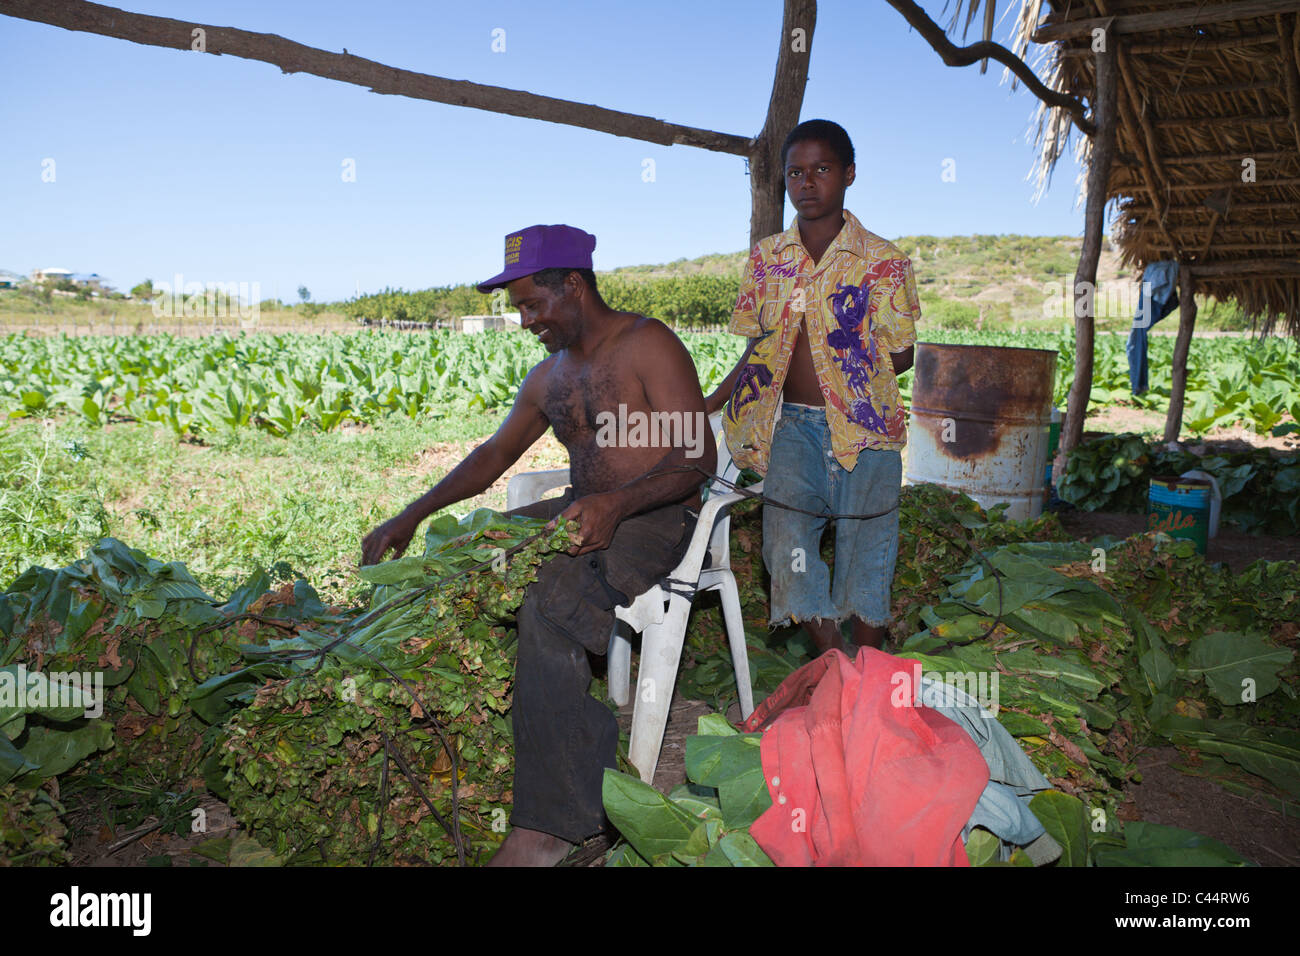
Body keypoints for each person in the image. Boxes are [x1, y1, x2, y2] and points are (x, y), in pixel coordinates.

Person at [361, 224, 715, 866]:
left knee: (550, 598)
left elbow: (696, 458)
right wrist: (412, 515)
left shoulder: (647, 344)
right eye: (519, 308)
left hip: (656, 514)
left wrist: (617, 503)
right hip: (586, 510)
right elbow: (493, 456)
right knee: (465, 563)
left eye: (532, 305)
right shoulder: (546, 376)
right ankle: (525, 740)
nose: (525, 321)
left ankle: (554, 827)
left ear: (573, 285)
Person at [704, 119, 919, 655]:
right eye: (795, 172)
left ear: (848, 175)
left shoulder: (883, 262)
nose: (807, 182)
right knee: (787, 548)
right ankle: (834, 664)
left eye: (822, 169)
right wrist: (709, 402)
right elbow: (757, 349)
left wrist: (848, 353)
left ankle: (865, 676)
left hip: (867, 435)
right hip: (792, 430)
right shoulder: (767, 258)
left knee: (866, 557)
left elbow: (904, 352)